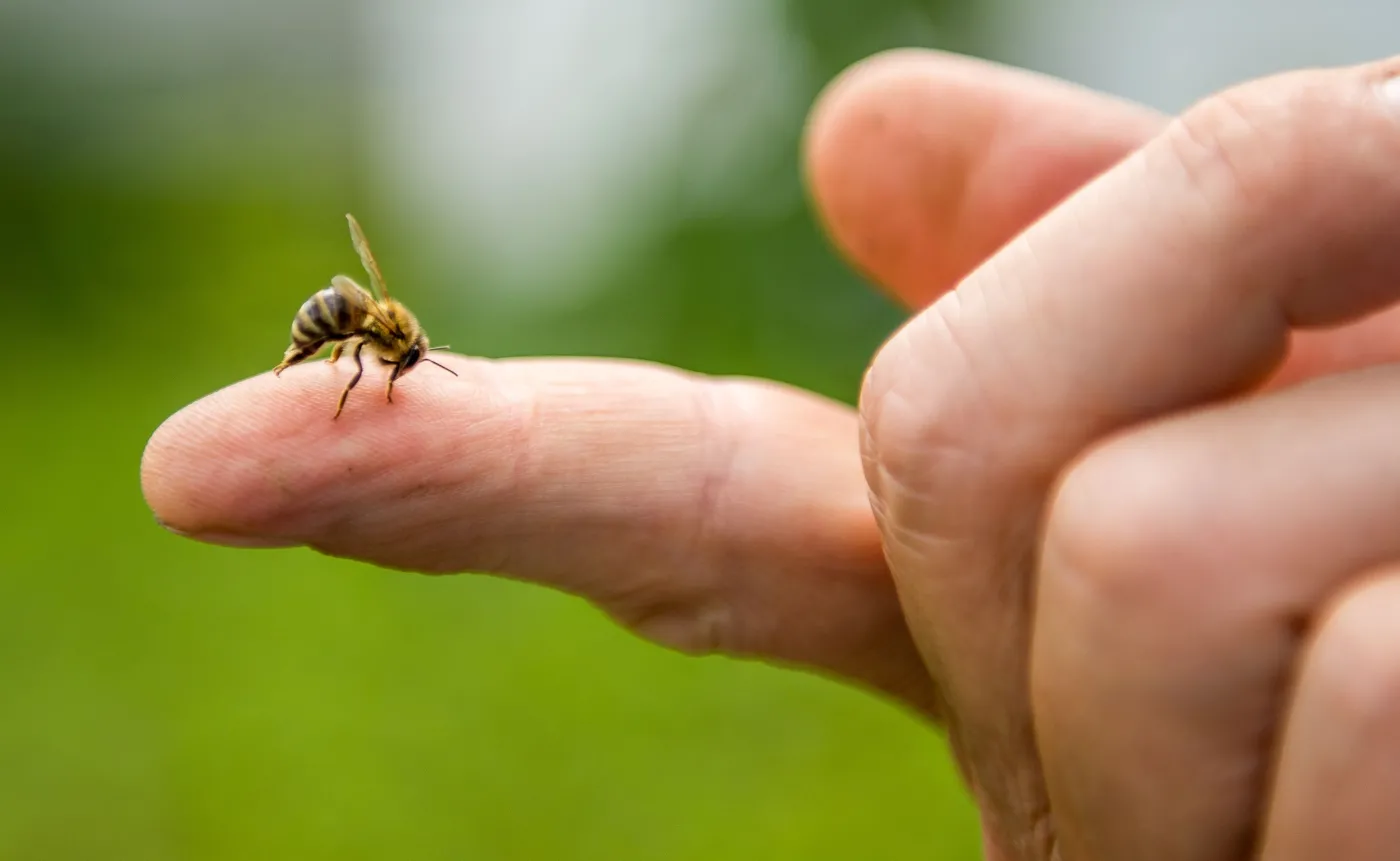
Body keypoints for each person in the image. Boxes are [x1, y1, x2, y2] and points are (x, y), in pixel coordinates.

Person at [141, 49, 1400, 860]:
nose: (390, 356)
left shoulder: (387, 340)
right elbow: (354, 331)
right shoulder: (372, 333)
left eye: (390, 356)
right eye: (393, 356)